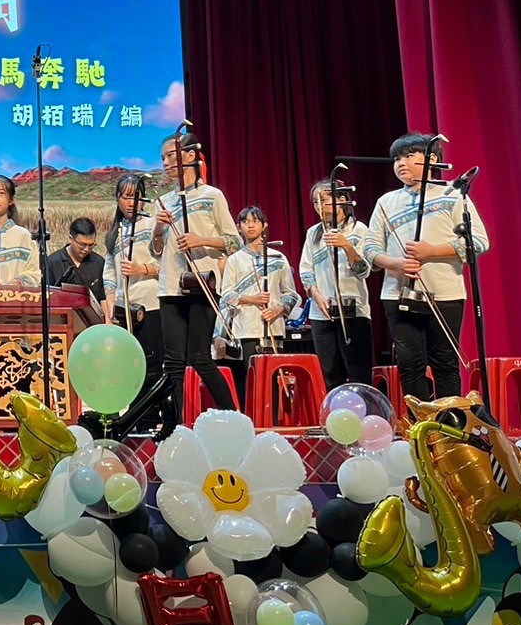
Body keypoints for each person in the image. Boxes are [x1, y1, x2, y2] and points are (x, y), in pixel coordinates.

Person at [363, 132, 488, 400]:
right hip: (398, 295)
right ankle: (420, 422)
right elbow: (370, 249)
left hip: (445, 293)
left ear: (432, 159)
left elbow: (478, 242)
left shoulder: (453, 194)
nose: (401, 163)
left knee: (445, 363)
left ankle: (449, 420)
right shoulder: (386, 202)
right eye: (397, 159)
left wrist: (431, 251)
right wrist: (396, 264)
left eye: (409, 156)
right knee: (410, 365)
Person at [151, 133, 240, 416]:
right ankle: (175, 425)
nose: (165, 162)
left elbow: (234, 242)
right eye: (163, 158)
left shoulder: (212, 196)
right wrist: (157, 229)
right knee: (173, 362)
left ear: (190, 156)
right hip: (170, 286)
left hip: (202, 284)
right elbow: (155, 251)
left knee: (200, 357)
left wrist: (201, 240)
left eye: (171, 155)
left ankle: (233, 417)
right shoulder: (164, 202)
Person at [217, 206, 299, 399]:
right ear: (239, 227)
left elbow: (292, 294)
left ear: (264, 226)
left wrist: (278, 309)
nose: (250, 225)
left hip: (274, 327)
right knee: (251, 379)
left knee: (274, 379)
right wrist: (251, 299)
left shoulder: (278, 258)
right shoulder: (235, 260)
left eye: (255, 221)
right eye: (245, 222)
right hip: (246, 328)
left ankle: (274, 415)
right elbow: (226, 295)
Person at [300, 180, 373, 388]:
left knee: (358, 372)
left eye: (323, 200)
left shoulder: (359, 229)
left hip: (353, 310)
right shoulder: (313, 233)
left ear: (341, 199)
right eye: (315, 202)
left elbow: (364, 271)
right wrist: (316, 294)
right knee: (330, 375)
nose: (318, 206)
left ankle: (362, 408)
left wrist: (347, 246)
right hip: (321, 312)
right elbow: (306, 269)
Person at [103, 175, 162, 403]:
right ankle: (134, 411)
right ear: (117, 199)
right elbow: (109, 272)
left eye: (136, 197)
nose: (130, 203)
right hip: (123, 307)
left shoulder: (152, 225)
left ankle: (151, 412)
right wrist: (111, 301)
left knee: (151, 362)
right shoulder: (114, 232)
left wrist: (142, 269)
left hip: (150, 303)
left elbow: (168, 264)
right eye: (125, 197)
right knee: (130, 364)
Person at [45, 218, 106, 300]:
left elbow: (103, 299)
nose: (86, 249)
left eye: (91, 245)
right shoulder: (52, 263)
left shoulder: (99, 263)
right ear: (71, 239)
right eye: (82, 245)